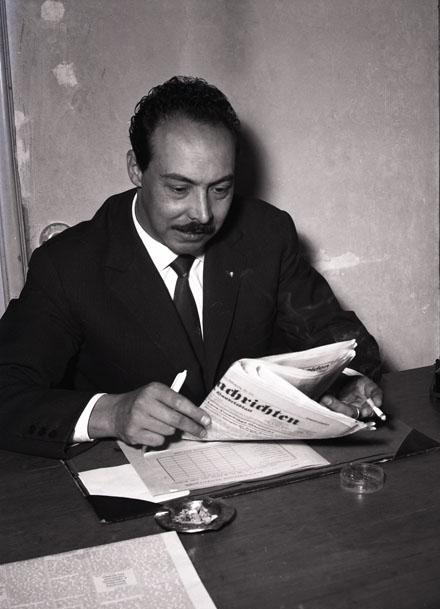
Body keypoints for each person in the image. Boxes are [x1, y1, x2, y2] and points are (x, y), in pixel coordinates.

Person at [0, 75, 383, 459]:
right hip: (127, 476)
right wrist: (110, 413)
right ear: (136, 169)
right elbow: (6, 389)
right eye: (179, 189)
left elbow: (339, 339)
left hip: (262, 465)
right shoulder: (68, 265)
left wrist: (348, 382)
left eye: (220, 189)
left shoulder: (266, 234)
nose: (202, 214)